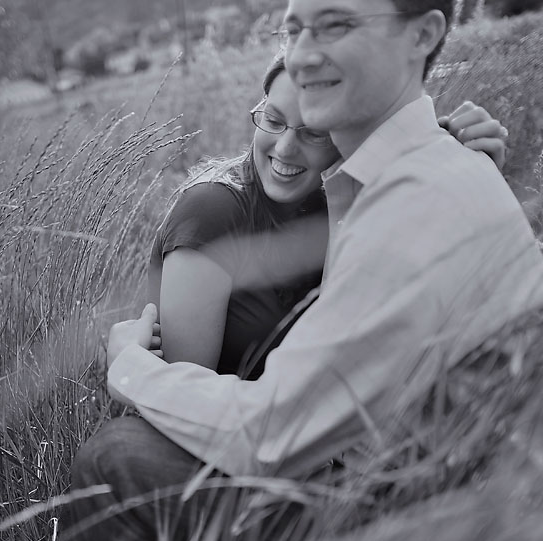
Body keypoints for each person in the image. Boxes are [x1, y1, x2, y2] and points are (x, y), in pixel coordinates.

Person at [55, 1, 543, 541]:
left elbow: (272, 436)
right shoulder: (394, 178)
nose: (302, 54)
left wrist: (129, 366)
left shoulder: (414, 199)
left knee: (120, 459)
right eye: (295, 29)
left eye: (336, 25)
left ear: (422, 35)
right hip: (407, 491)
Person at [150, 54, 509, 379]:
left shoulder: (343, 204)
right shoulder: (212, 211)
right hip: (222, 436)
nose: (286, 148)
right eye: (273, 120)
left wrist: (470, 172)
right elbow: (179, 389)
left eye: (314, 133)